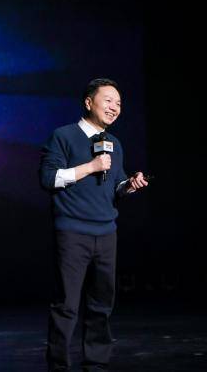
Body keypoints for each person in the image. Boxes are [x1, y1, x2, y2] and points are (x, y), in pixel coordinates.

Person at [39, 78, 148, 371]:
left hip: (106, 233)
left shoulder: (114, 144)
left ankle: (96, 365)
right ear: (89, 102)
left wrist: (130, 185)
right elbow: (48, 178)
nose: (115, 107)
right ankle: (59, 366)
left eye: (119, 103)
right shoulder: (63, 136)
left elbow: (115, 186)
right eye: (108, 100)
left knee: (101, 304)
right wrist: (90, 166)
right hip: (73, 232)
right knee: (66, 305)